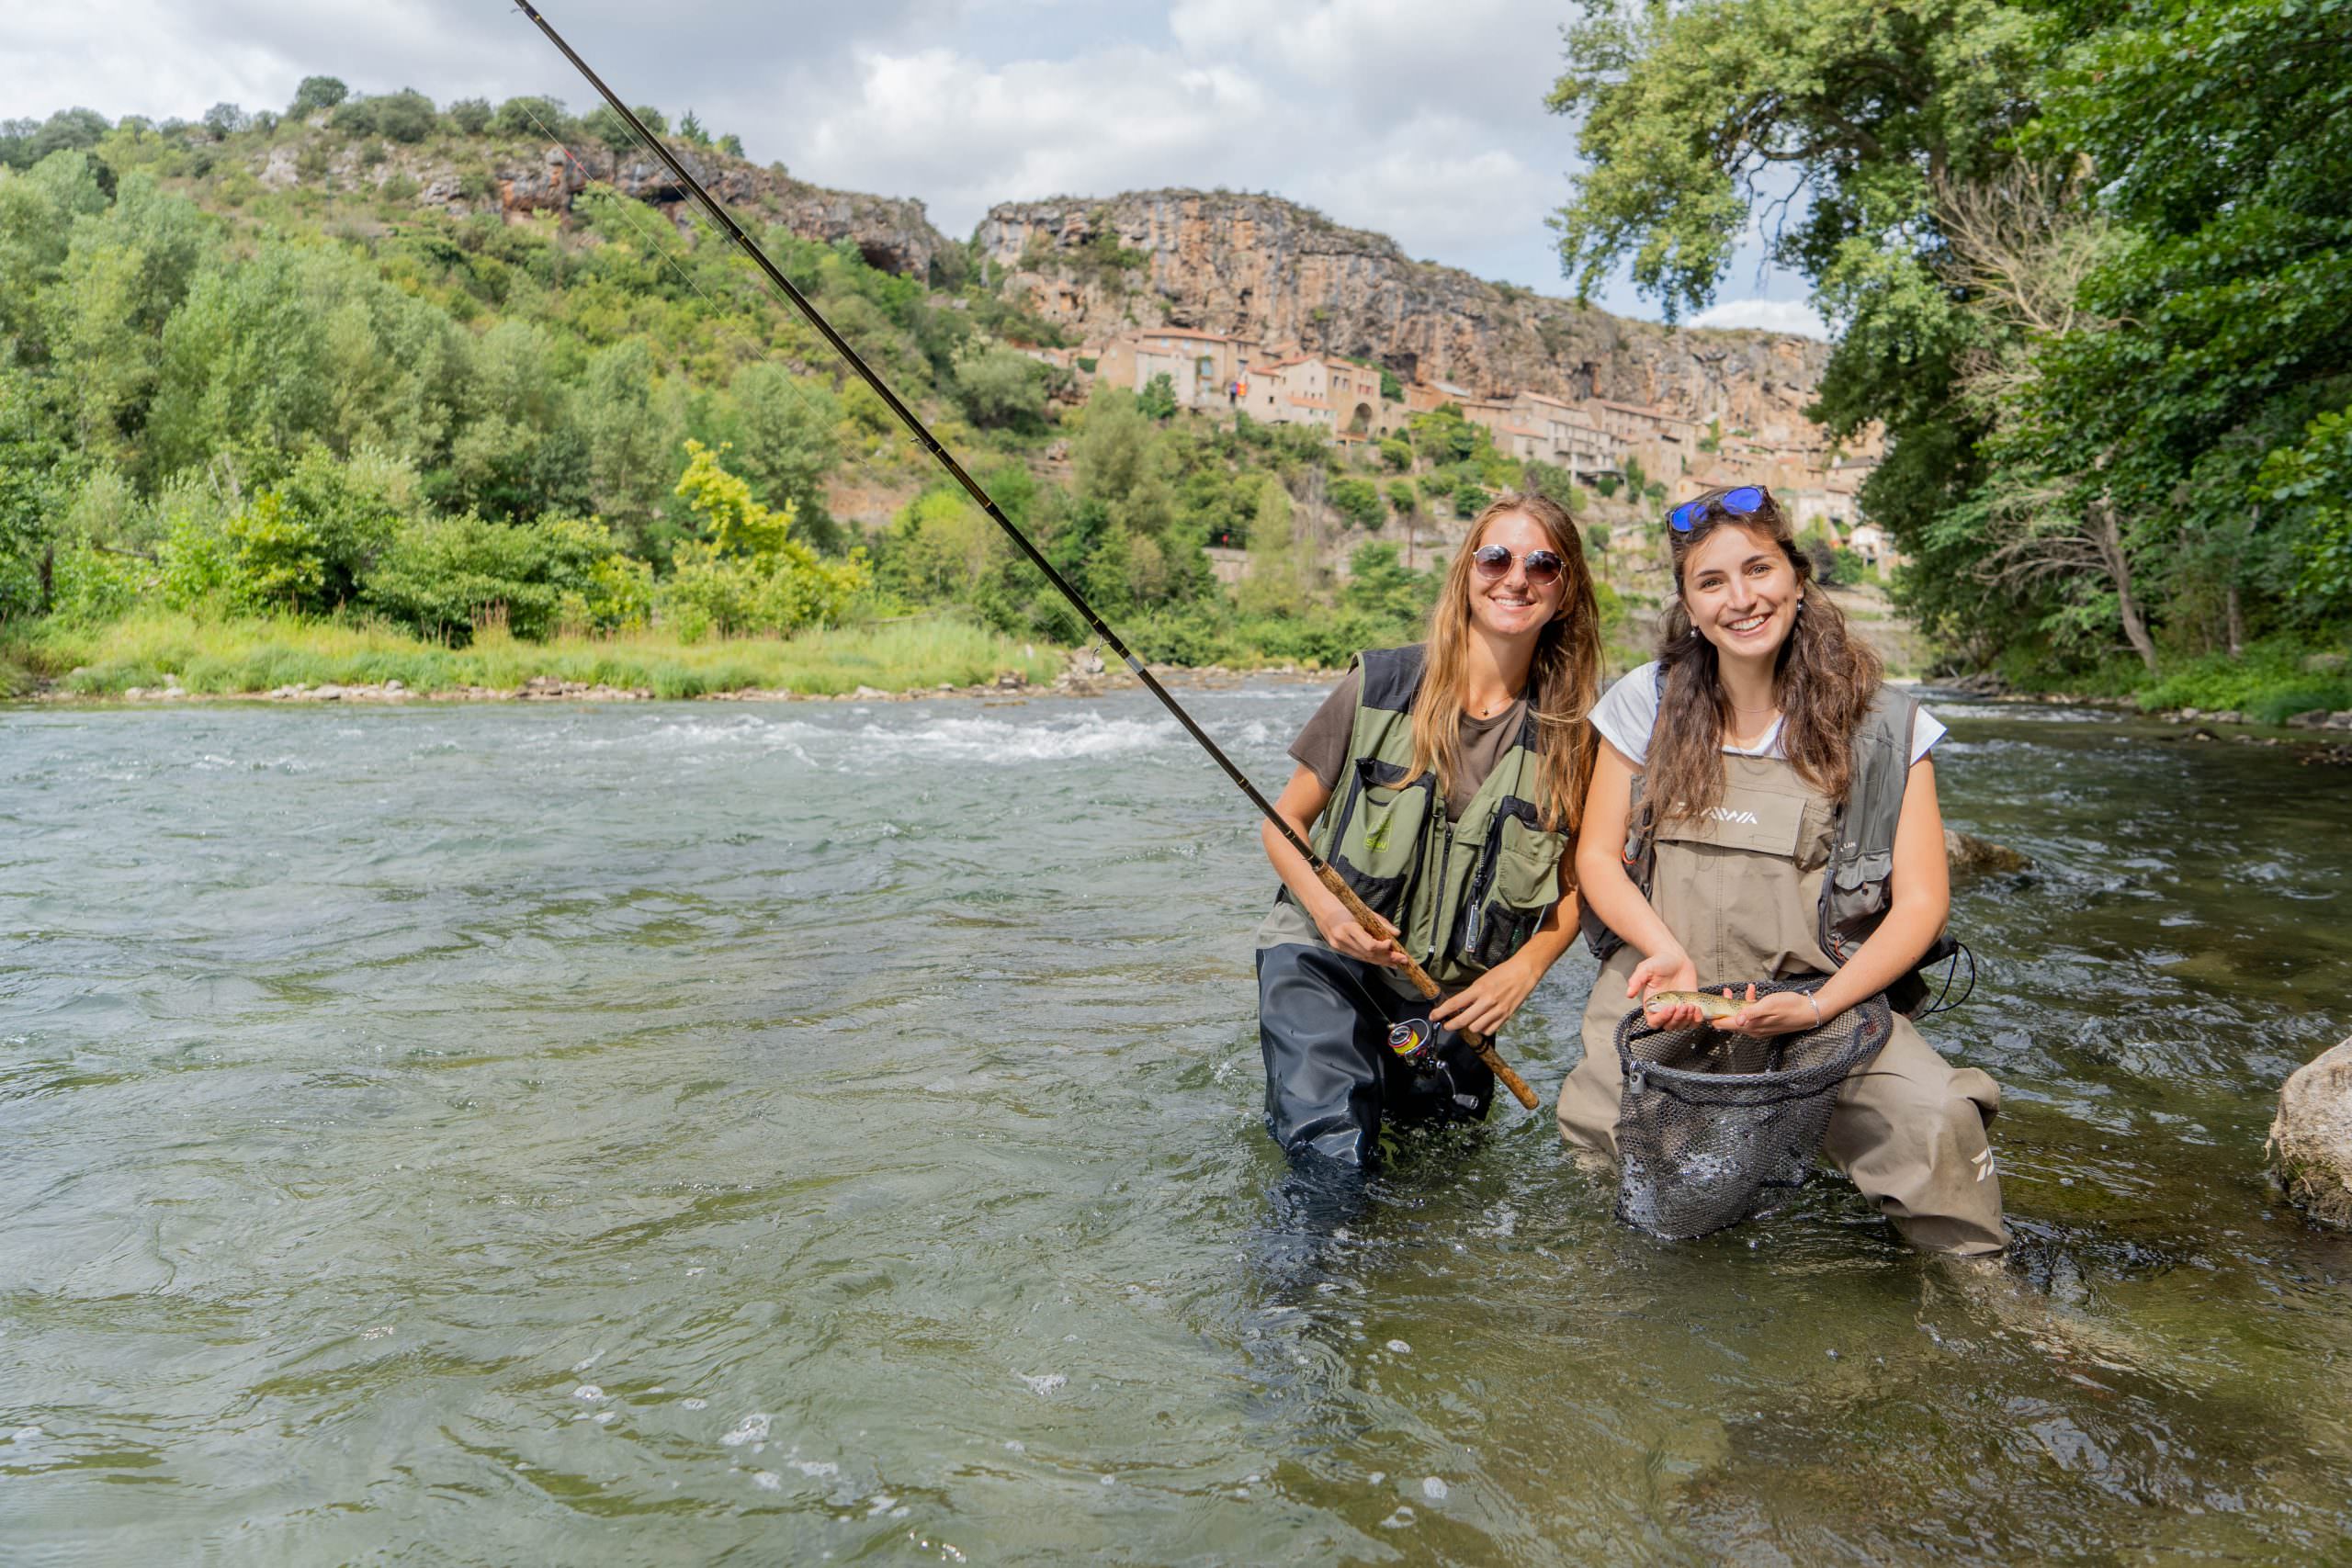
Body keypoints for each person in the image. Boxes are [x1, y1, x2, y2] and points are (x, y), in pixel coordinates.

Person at [1555, 483, 2007, 1254]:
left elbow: (1923, 905)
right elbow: (1595, 856)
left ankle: (1989, 1301)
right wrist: (1662, 953)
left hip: (1823, 1001)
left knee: (1936, 1125)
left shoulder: (1886, 725)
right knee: (1603, 1148)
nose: (1742, 598)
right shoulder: (1643, 703)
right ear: (1689, 606)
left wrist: (1818, 1007)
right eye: (1712, 581)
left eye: (1758, 570)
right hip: (1669, 991)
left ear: (1797, 578)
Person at [1254, 493, 1601, 1175]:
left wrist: (1524, 969)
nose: (1516, 578)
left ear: (1565, 593)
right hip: (1325, 961)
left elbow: (1582, 887)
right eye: (1496, 557)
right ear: (1467, 574)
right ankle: (1302, 1285)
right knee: (1334, 1155)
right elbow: (1282, 821)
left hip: (1453, 1003)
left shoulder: (1576, 741)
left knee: (1440, 1172)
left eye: (1543, 564)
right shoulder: (1378, 683)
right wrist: (1328, 912)